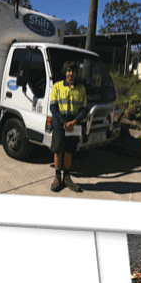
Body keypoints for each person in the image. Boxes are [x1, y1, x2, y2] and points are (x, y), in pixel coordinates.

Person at [50, 61, 88, 193]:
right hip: (60, 125)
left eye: (72, 71)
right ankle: (57, 178)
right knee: (58, 151)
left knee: (69, 152)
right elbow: (53, 107)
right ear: (65, 72)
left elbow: (84, 109)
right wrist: (63, 122)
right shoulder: (57, 86)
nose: (70, 73)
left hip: (74, 125)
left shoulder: (81, 88)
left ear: (76, 73)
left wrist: (74, 122)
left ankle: (67, 178)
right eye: (68, 71)